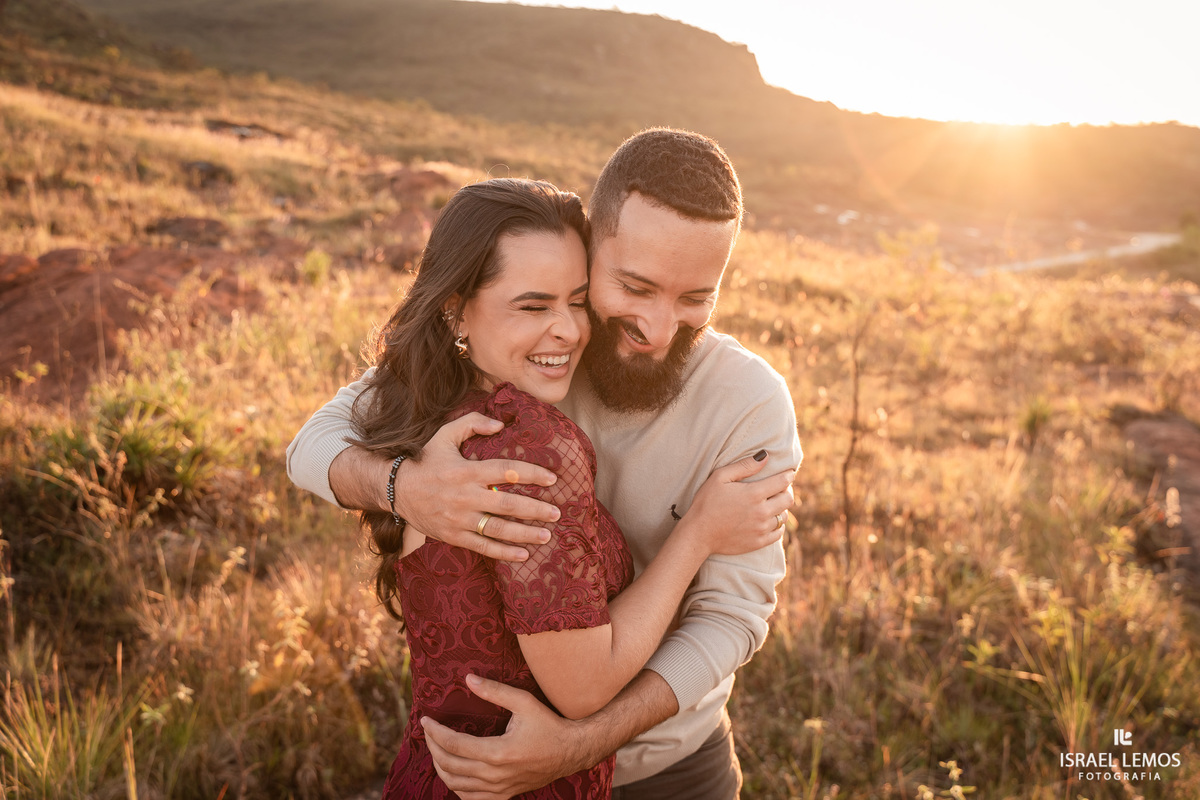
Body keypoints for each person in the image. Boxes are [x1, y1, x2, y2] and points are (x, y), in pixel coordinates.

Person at [287, 129, 804, 800]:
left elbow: (732, 615)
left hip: (675, 769)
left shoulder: (747, 400)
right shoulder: (537, 345)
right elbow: (310, 446)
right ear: (591, 244)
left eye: (694, 299)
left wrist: (578, 746)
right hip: (498, 774)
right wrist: (403, 488)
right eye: (634, 287)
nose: (657, 327)